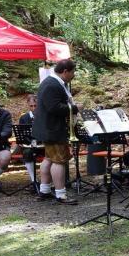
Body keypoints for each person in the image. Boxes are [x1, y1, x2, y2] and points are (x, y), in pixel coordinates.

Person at [32, 58, 80, 204]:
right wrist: (75, 108)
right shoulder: (53, 84)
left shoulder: (51, 82)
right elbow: (54, 108)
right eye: (72, 72)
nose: (73, 75)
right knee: (59, 160)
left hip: (48, 128)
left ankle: (45, 190)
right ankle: (61, 194)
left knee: (48, 159)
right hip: (53, 129)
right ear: (65, 71)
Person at [16, 94, 41, 188]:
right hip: (29, 144)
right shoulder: (24, 118)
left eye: (35, 106)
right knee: (27, 153)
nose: (33, 108)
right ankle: (34, 180)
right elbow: (21, 135)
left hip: (42, 145)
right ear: (28, 105)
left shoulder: (43, 116)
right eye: (31, 106)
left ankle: (48, 181)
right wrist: (29, 142)